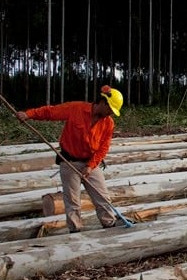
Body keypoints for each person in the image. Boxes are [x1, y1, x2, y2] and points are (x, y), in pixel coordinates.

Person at [16, 85, 124, 232]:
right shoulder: (76, 109)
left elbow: (103, 148)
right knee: (72, 201)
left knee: (102, 196)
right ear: (103, 102)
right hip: (69, 161)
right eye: (110, 109)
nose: (110, 113)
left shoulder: (108, 123)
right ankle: (75, 230)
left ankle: (109, 223)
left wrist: (91, 166)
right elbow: (51, 112)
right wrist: (28, 114)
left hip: (91, 162)